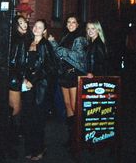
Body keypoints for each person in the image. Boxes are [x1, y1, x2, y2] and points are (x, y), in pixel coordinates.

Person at [48, 14, 87, 150]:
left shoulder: (80, 38)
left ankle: (80, 138)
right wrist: (54, 45)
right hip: (64, 75)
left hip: (73, 75)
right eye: (69, 22)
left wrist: (57, 47)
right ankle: (72, 137)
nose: (70, 24)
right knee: (67, 105)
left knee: (75, 106)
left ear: (77, 25)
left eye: (73, 22)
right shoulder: (66, 37)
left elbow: (77, 57)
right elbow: (59, 55)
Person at [21, 19, 57, 161]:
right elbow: (25, 64)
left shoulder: (45, 45)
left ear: (44, 31)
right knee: (29, 118)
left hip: (40, 88)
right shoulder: (28, 42)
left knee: (37, 120)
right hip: (28, 86)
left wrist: (33, 81)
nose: (36, 28)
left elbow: (49, 68)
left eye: (40, 27)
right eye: (35, 26)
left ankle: (40, 149)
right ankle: (30, 148)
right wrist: (24, 78)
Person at [8, 15, 33, 158]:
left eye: (25, 22)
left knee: (16, 110)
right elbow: (14, 62)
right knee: (15, 111)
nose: (24, 24)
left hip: (17, 79)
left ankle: (12, 140)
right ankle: (10, 142)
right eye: (21, 22)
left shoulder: (24, 38)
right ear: (16, 25)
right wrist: (21, 78)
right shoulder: (18, 40)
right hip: (14, 80)